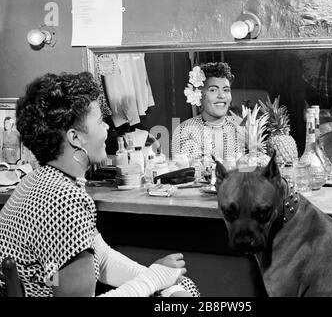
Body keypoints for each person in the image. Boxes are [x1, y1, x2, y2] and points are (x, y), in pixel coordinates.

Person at [0, 72, 199, 297]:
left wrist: (162, 281)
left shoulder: (39, 180)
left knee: (180, 288)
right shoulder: (63, 201)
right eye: (99, 122)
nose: (107, 128)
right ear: (75, 138)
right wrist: (152, 279)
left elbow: (101, 257)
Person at [172, 62, 243, 163]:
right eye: (213, 90)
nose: (222, 95)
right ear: (200, 95)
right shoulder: (185, 131)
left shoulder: (240, 128)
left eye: (226, 90)